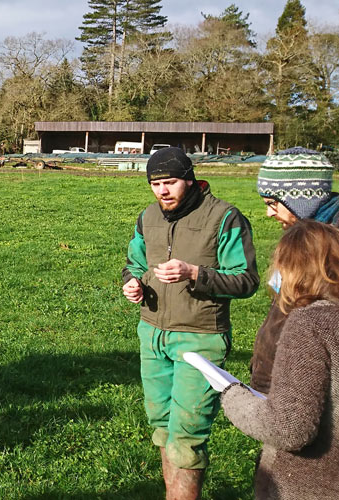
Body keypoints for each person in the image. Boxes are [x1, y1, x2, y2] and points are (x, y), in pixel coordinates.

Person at [121, 147, 258, 499]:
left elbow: (246, 280)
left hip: (200, 339)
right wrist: (133, 283)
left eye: (170, 182)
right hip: (152, 334)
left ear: (190, 179)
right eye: (155, 184)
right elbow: (135, 262)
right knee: (163, 429)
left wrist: (195, 273)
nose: (162, 191)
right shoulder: (147, 217)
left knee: (187, 435)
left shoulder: (224, 217)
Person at [221, 220, 339, 499]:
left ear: (291, 269)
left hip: (311, 485)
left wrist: (232, 396)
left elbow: (289, 429)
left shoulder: (312, 323)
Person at [250, 150, 339, 393]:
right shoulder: (302, 242)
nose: (268, 213)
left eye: (272, 203)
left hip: (319, 389)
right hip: (286, 378)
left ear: (301, 200)